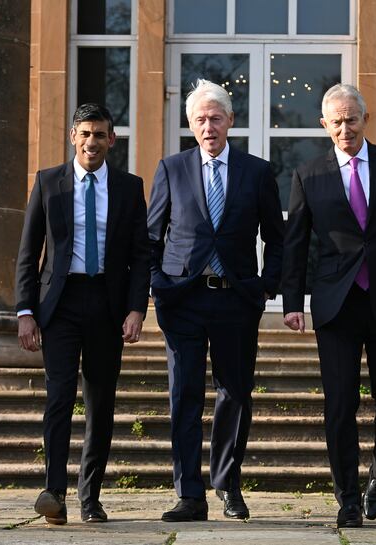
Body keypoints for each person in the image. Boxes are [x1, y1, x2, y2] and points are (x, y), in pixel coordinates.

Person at [282, 83, 376, 528]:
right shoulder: (308, 174)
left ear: (365, 120)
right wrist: (292, 300)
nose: (345, 127)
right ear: (323, 126)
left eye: (352, 119)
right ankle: (347, 497)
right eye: (336, 121)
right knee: (339, 403)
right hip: (336, 305)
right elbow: (296, 246)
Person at [147, 79, 284, 522]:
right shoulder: (171, 169)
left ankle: (227, 483)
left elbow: (276, 237)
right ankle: (189, 494)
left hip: (235, 301)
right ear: (191, 125)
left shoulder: (258, 172)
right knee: (184, 395)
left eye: (216, 118)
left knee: (235, 393)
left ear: (231, 122)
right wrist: (156, 284)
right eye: (201, 120)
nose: (209, 126)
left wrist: (265, 285)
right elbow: (151, 237)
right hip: (182, 300)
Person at [15, 103, 150, 524]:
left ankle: (90, 496)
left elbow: (140, 256)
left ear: (112, 139)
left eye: (100, 134)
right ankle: (53, 492)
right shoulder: (48, 183)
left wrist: (135, 309)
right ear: (73, 136)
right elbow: (27, 252)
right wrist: (25, 311)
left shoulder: (129, 188)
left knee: (100, 403)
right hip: (60, 305)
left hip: (107, 307)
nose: (92, 142)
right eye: (85, 133)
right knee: (58, 398)